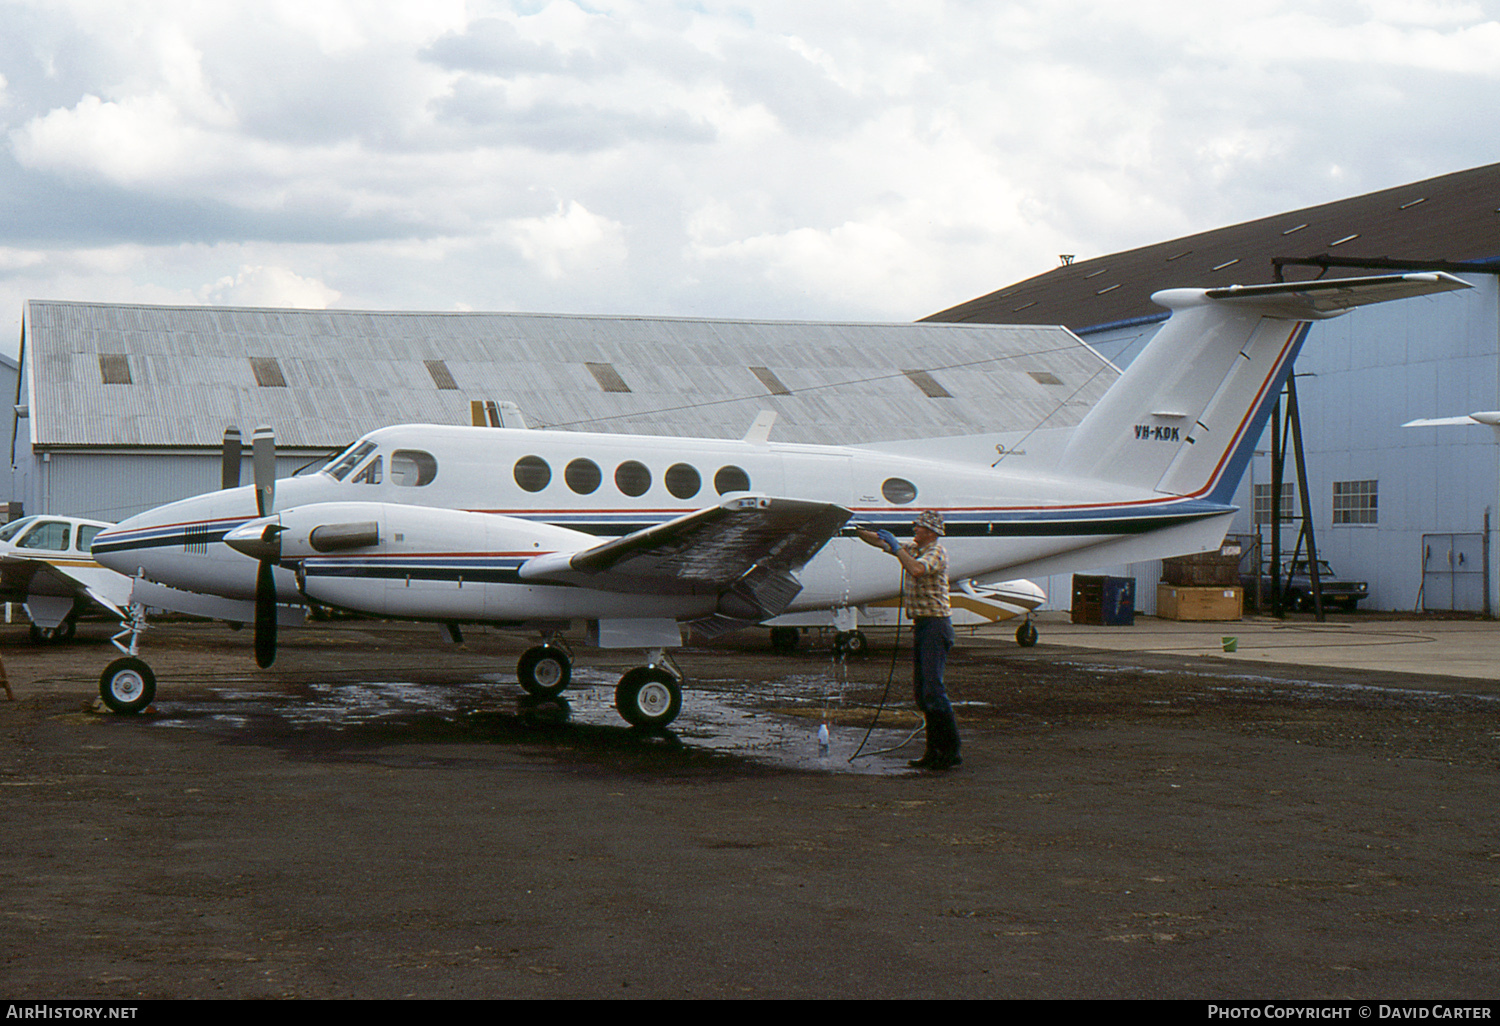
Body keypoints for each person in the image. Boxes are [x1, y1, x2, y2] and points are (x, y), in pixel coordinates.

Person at [857, 510, 961, 770]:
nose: (914, 529)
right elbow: (879, 542)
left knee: (933, 690)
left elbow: (915, 570)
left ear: (931, 531)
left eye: (919, 527)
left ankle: (949, 750)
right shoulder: (914, 548)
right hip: (924, 625)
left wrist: (895, 546)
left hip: (935, 625)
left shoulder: (936, 552)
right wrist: (856, 530)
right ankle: (934, 750)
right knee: (923, 692)